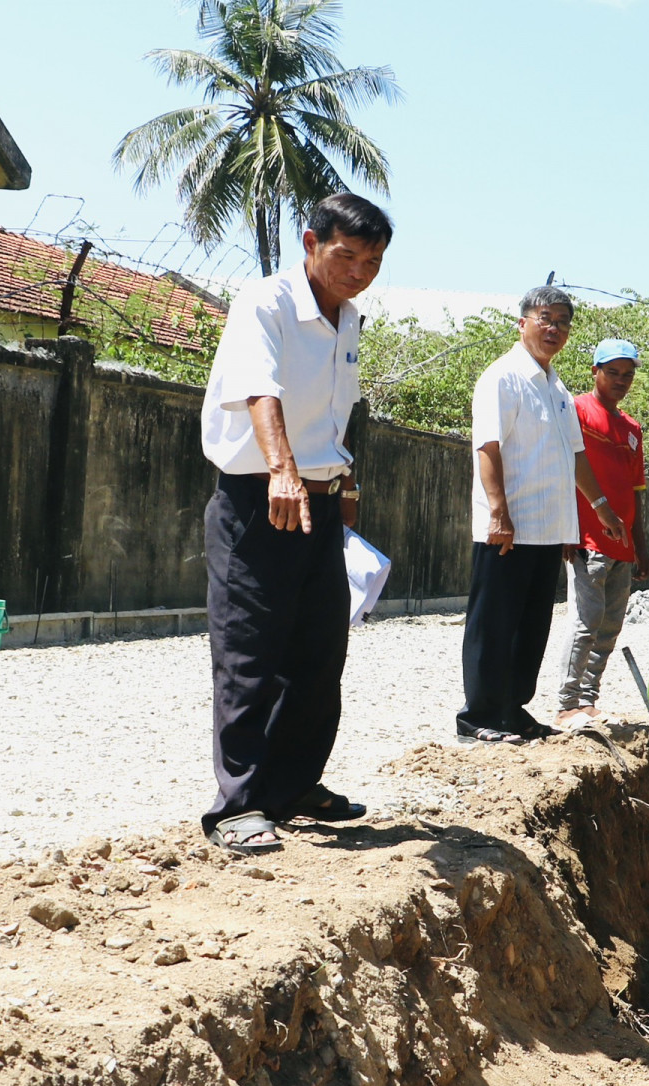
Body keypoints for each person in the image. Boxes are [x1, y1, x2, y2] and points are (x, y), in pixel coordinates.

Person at [198, 192, 392, 856]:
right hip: (260, 498)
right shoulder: (267, 302)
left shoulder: (350, 321)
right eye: (347, 256)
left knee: (317, 656)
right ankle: (239, 805)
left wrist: (342, 487)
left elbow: (334, 418)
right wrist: (282, 469)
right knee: (250, 655)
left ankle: (294, 786)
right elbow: (261, 389)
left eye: (372, 261)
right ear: (310, 243)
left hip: (318, 503)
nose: (358, 271)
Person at [459, 286, 628, 744]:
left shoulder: (554, 387)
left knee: (530, 627)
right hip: (509, 528)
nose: (555, 329)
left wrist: (600, 507)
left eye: (563, 323)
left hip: (548, 528)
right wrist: (498, 512)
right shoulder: (503, 377)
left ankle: (512, 711)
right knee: (493, 623)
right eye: (546, 318)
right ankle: (477, 718)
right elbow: (488, 447)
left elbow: (575, 456)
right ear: (523, 322)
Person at [555, 338, 649, 728]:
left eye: (627, 375)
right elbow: (563, 470)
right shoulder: (576, 411)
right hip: (587, 538)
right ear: (595, 371)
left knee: (610, 624)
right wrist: (566, 528)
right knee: (585, 619)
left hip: (622, 546)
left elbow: (635, 492)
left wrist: (641, 546)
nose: (620, 380)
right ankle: (566, 703)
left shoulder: (631, 429)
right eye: (612, 372)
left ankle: (588, 699)